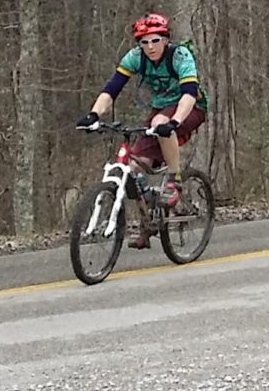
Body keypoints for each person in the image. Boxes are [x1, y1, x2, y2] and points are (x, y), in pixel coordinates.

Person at [77, 13, 207, 233]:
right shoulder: (135, 58)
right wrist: (94, 114)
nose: (150, 47)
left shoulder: (180, 56)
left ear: (165, 39)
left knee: (159, 122)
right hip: (161, 109)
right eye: (144, 42)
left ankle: (175, 181)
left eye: (155, 40)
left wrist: (174, 121)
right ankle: (148, 223)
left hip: (191, 107)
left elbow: (189, 94)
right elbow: (112, 89)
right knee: (134, 167)